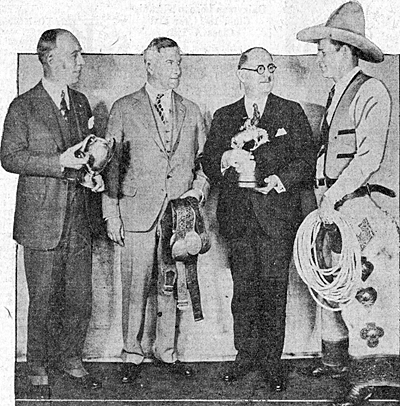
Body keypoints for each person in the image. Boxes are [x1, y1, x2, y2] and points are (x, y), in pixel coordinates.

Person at [297, 2, 399, 405]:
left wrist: (334, 197)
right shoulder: (337, 91)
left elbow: (368, 157)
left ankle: (375, 376)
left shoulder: (371, 91)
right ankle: (337, 361)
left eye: (324, 52)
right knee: (331, 284)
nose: (319, 59)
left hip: (354, 207)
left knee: (364, 286)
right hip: (331, 206)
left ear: (344, 50)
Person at [202, 47, 316, 392]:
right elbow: (208, 161)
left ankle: (271, 363)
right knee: (244, 291)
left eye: (271, 67)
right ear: (242, 74)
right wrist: (225, 157)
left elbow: (306, 160)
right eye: (259, 68)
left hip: (275, 218)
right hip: (238, 218)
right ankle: (245, 356)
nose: (267, 74)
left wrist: (278, 180)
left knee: (273, 290)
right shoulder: (224, 116)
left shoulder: (290, 112)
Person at [1, 29, 104, 398]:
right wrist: (58, 163)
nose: (81, 62)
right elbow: (9, 158)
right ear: (50, 59)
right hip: (41, 220)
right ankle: (39, 364)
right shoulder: (22, 106)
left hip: (79, 217)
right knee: (43, 297)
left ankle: (71, 357)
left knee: (79, 296)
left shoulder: (80, 103)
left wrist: (92, 176)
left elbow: (83, 154)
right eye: (74, 54)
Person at [102, 37, 209, 384]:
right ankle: (131, 355)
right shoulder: (123, 107)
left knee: (171, 283)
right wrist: (111, 215)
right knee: (135, 285)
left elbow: (204, 164)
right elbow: (110, 169)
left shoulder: (192, 110)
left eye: (179, 62)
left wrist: (197, 191)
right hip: (135, 211)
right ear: (149, 64)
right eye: (169, 63)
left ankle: (167, 352)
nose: (177, 69)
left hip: (178, 214)